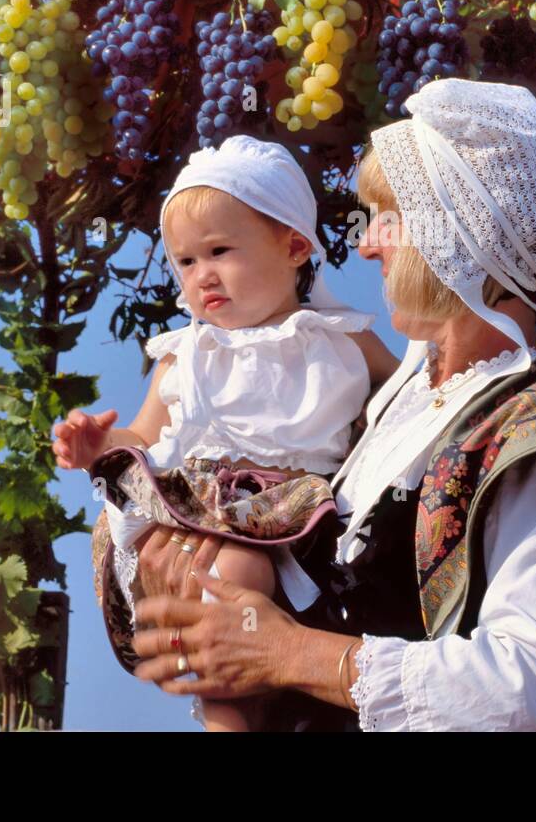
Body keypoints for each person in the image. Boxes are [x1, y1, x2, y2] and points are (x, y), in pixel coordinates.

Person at [131, 79, 536, 731]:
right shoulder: (402, 398)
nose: (369, 244)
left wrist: (287, 652)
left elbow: (533, 692)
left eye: (387, 218)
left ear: (461, 235)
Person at [53, 134, 396, 731]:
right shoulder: (186, 353)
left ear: (293, 246)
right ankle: (226, 722)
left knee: (236, 588)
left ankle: (252, 706)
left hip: (291, 513)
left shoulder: (341, 337)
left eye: (219, 251)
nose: (201, 275)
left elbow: (410, 395)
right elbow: (142, 436)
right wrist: (95, 446)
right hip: (195, 510)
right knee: (225, 588)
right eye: (185, 262)